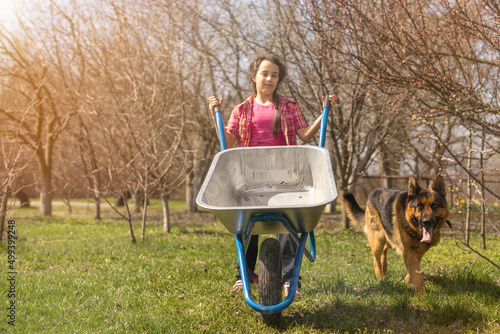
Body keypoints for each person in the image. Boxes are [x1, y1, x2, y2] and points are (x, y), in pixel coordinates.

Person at [208, 54, 336, 296]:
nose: (269, 78)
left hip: (284, 174)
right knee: (246, 225)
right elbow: (227, 141)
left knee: (286, 224)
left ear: (279, 80)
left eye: (274, 75)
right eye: (264, 73)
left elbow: (306, 136)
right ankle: (244, 275)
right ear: (254, 77)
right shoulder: (242, 109)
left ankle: (290, 278)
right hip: (250, 177)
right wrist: (216, 115)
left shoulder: (289, 106)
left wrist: (324, 112)